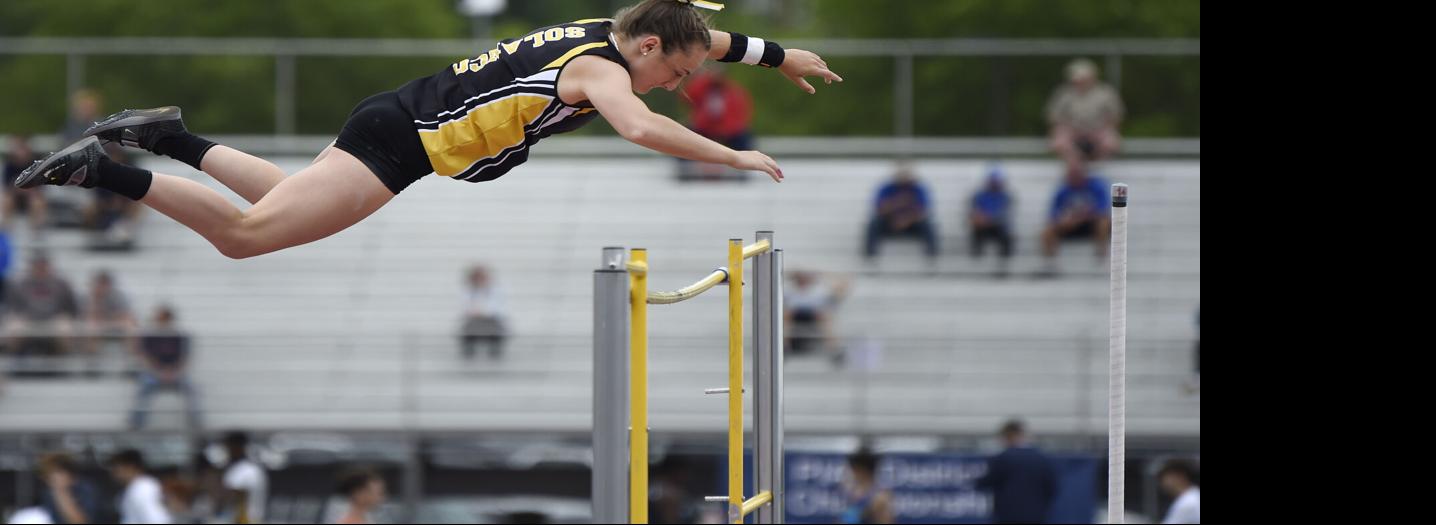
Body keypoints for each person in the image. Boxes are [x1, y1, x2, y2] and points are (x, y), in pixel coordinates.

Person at [13, 2, 841, 261]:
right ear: (648, 49)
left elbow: (707, 38)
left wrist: (776, 54)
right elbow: (645, 131)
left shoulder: (613, 28)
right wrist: (733, 153)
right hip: (400, 142)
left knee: (278, 197)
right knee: (247, 238)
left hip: (394, 120)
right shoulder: (605, 74)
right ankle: (104, 172)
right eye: (677, 75)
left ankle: (166, 136)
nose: (681, 87)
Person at [129, 306, 202, 431]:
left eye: (163, 319)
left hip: (175, 373)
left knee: (191, 388)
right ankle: (136, 423)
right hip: (154, 373)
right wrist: (159, 371)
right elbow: (146, 357)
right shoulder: (149, 335)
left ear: (170, 319)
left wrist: (173, 371)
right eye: (159, 319)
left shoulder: (180, 336)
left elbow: (184, 358)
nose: (160, 321)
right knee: (144, 386)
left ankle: (196, 423)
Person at [974, 420, 1059, 525]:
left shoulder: (1003, 458)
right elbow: (1052, 487)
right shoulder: (1043, 459)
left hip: (1008, 516)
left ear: (1007, 436)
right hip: (1036, 515)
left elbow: (987, 482)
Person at [2, 252, 78, 362]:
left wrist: (65, 316)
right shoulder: (21, 284)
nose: (40, 268)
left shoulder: (61, 284)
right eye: (37, 265)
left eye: (43, 265)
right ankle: (14, 363)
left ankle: (63, 363)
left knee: (64, 327)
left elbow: (71, 308)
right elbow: (12, 307)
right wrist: (20, 316)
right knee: (14, 327)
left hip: (54, 320)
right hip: (27, 320)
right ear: (32, 267)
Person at [678, 70, 754, 180]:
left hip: (728, 130)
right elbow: (688, 95)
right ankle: (685, 174)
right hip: (704, 127)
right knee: (682, 140)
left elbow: (740, 115)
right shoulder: (704, 89)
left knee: (743, 141)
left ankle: (742, 176)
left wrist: (722, 130)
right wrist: (705, 80)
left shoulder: (734, 92)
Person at [1046, 58, 1125, 164]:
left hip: (1099, 131)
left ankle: (1098, 168)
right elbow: (1054, 118)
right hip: (1071, 131)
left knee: (1111, 142)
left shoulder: (1106, 93)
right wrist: (1072, 130)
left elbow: (1115, 117)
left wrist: (1098, 131)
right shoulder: (1064, 94)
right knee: (1059, 141)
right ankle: (1074, 166)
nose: (1079, 82)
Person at [1040, 161, 1111, 268]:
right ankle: (1050, 264)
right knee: (1047, 231)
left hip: (1091, 224)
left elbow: (1103, 209)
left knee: (1104, 222)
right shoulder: (1062, 190)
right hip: (1069, 226)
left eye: (1077, 173)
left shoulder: (1096, 187)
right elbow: (1053, 213)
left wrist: (1080, 218)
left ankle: (1102, 258)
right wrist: (1063, 221)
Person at [864, 162, 938, 260]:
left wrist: (906, 219)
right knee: (874, 223)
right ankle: (870, 257)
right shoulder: (886, 188)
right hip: (890, 224)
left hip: (911, 224)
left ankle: (932, 257)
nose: (904, 176)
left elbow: (922, 211)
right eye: (901, 173)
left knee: (927, 224)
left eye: (906, 173)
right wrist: (898, 202)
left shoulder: (918, 189)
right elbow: (880, 209)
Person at [784, 270, 848, 364]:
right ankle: (784, 347)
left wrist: (824, 276)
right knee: (786, 315)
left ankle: (834, 349)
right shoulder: (787, 289)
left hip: (814, 317)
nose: (804, 278)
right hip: (794, 316)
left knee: (825, 316)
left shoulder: (819, 290)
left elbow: (842, 289)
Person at [81, 270, 138, 367]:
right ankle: (91, 363)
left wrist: (108, 319)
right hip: (99, 328)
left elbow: (126, 316)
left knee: (131, 327)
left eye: (105, 284)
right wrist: (95, 301)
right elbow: (88, 316)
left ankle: (131, 363)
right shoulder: (90, 297)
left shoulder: (118, 296)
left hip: (115, 327)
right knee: (91, 327)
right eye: (100, 284)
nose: (103, 287)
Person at [108, 449, 173, 524]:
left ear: (130, 466)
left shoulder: (142, 489)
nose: (113, 473)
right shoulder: (135, 487)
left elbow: (157, 520)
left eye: (116, 468)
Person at [34, 452, 101, 525]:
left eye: (51, 473)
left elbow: (80, 522)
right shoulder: (46, 493)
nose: (47, 479)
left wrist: (61, 491)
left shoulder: (85, 489)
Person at [459, 265, 508, 360]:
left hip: (491, 321)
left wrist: (482, 312)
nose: (479, 280)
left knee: (496, 328)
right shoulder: (467, 291)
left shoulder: (495, 290)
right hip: (474, 322)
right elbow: (464, 308)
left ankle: (494, 353)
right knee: (468, 328)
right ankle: (469, 355)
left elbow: (498, 309)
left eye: (481, 278)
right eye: (477, 278)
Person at [219, 431, 269, 525]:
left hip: (245, 520)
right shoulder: (251, 468)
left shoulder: (244, 469)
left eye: (229, 447)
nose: (227, 452)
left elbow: (235, 496)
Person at [969, 167, 1015, 266]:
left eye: (996, 180)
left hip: (998, 227)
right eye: (992, 180)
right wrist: (978, 218)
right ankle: (976, 262)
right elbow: (974, 212)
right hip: (983, 226)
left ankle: (1005, 264)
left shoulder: (1006, 196)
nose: (994, 183)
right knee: (976, 230)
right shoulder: (979, 195)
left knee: (1006, 235)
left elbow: (1005, 214)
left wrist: (988, 218)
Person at [2, 136, 49, 231]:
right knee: (6, 201)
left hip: (31, 194)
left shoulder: (36, 164)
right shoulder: (9, 165)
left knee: (37, 202)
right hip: (15, 195)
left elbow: (40, 185)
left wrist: (26, 189)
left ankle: (37, 229)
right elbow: (7, 186)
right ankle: (6, 229)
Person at [841, 448, 895, 525]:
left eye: (854, 469)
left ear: (862, 470)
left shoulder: (880, 498)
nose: (852, 473)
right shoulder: (854, 492)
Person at [1158, 459, 1201, 525]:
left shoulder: (1188, 502)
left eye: (1166, 476)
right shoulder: (1192, 495)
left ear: (1180, 476)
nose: (1162, 482)